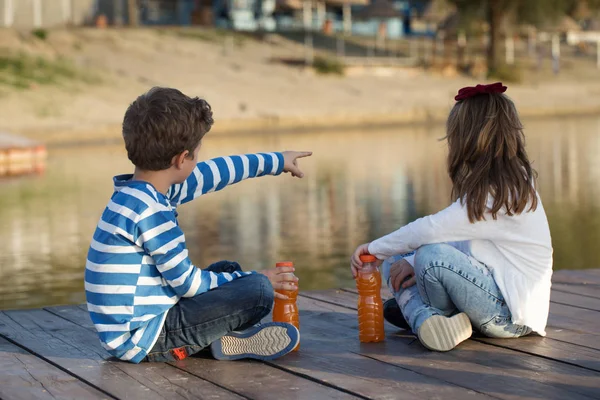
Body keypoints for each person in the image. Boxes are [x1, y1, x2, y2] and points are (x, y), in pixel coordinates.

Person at [85, 87, 312, 363]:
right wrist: (259, 277)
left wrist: (277, 161)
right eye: (196, 153)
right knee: (257, 291)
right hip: (143, 338)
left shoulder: (137, 193)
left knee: (226, 270)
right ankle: (210, 339)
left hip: (138, 324)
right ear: (182, 159)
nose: (198, 160)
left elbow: (214, 173)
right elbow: (188, 284)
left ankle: (219, 340)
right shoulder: (152, 211)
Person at [351, 82, 553, 352]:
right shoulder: (499, 185)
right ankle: (430, 317)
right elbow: (460, 240)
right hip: (490, 294)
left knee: (430, 256)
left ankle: (422, 316)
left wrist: (373, 249)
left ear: (467, 137)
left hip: (510, 318)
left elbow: (432, 230)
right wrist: (402, 258)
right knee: (397, 260)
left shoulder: (503, 194)